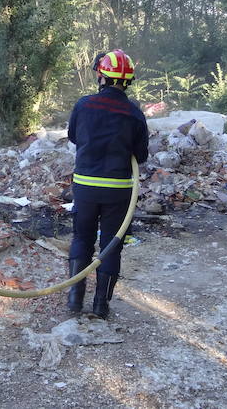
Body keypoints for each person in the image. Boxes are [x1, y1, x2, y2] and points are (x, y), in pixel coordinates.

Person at [66, 49, 149, 319]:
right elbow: (142, 155)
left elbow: (73, 137)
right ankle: (101, 305)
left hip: (85, 187)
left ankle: (74, 300)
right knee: (111, 245)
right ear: (127, 81)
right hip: (118, 190)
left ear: (101, 76)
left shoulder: (84, 105)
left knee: (82, 238)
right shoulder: (134, 114)